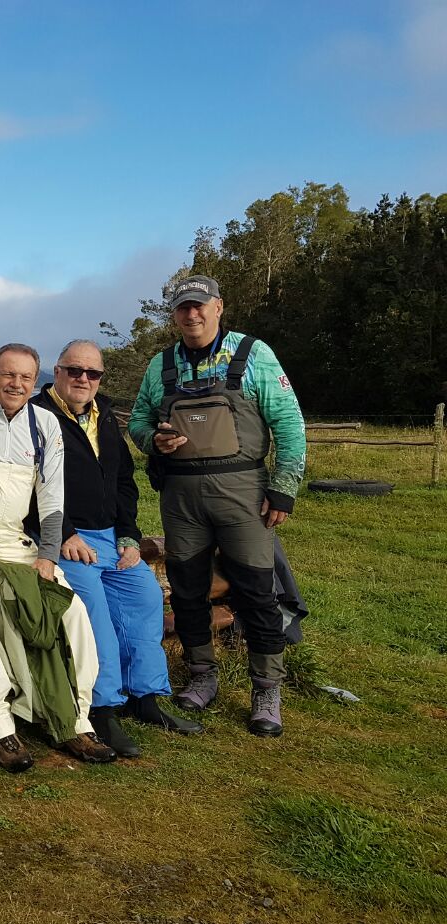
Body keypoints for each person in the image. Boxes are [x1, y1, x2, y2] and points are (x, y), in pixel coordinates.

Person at [128, 275, 306, 737]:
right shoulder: (161, 364)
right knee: (188, 590)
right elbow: (140, 420)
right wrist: (154, 440)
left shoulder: (253, 355)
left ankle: (267, 688)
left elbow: (289, 422)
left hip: (243, 492)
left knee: (256, 590)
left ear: (218, 307)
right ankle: (202, 675)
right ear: (175, 314)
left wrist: (283, 488)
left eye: (200, 306)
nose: (192, 314)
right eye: (183, 307)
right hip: (181, 497)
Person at [0, 345, 116, 769]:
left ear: (36, 382)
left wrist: (49, 556)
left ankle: (76, 720)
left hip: (14, 538)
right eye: (8, 375)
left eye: (25, 378)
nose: (16, 384)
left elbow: (51, 497)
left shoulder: (45, 424)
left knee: (69, 609)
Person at [33, 339, 202, 759]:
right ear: (57, 371)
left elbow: (124, 481)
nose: (84, 380)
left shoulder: (104, 416)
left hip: (112, 535)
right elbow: (31, 483)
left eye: (93, 374)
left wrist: (129, 535)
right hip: (68, 538)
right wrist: (64, 534)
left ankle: (145, 697)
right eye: (75, 371)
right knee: (95, 613)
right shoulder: (37, 416)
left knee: (144, 597)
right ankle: (103, 706)